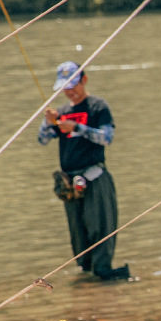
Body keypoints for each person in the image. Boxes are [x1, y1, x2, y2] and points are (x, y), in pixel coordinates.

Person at [38, 61, 130, 281]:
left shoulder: (98, 107)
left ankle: (104, 273)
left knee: (100, 228)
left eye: (74, 86)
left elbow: (107, 138)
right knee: (78, 234)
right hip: (70, 184)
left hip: (95, 177)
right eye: (66, 88)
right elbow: (42, 140)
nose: (70, 92)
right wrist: (48, 122)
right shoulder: (61, 112)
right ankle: (87, 277)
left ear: (84, 80)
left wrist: (77, 127)